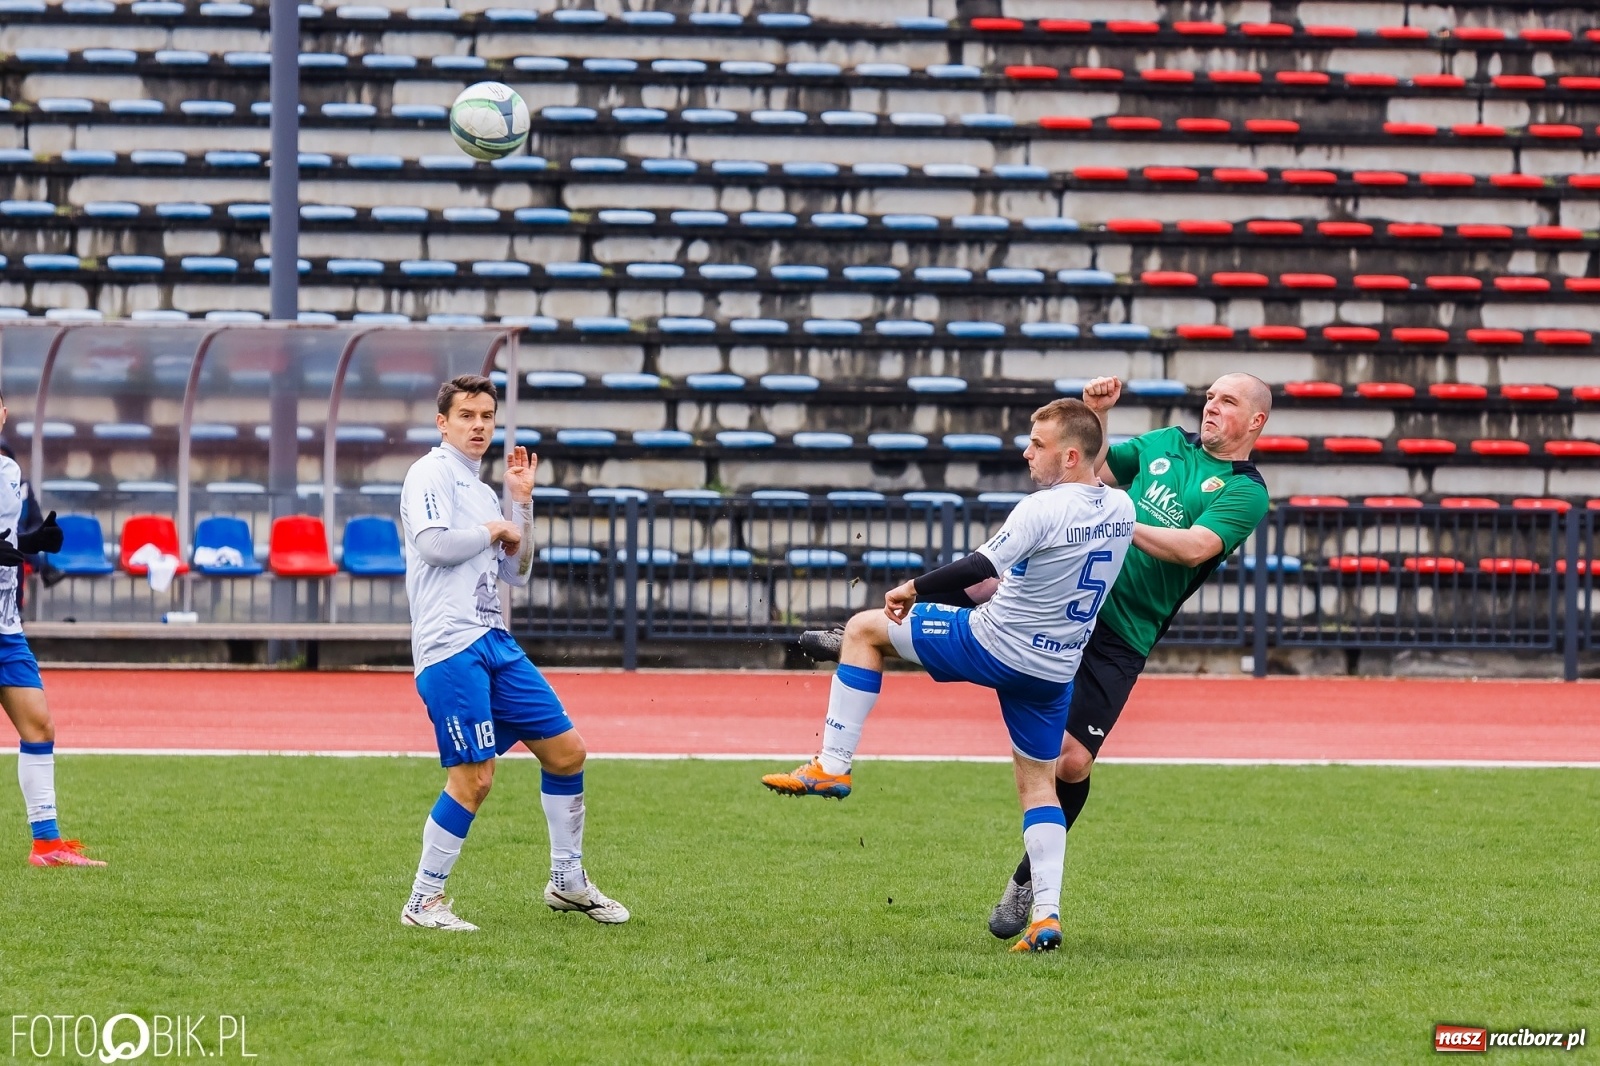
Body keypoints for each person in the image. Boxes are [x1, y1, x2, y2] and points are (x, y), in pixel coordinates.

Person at [794, 373, 1273, 939]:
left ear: (1256, 421)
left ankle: (1027, 881)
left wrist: (1115, 522)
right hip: (1066, 594)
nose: (1211, 406)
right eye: (1211, 395)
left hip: (1123, 629)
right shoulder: (1166, 442)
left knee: (1071, 765)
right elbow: (1089, 468)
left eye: (1228, 401)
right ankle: (865, 636)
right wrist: (1099, 418)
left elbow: (1195, 547)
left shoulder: (1246, 489)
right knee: (984, 582)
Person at [761, 398, 1135, 952]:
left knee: (866, 628)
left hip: (994, 643)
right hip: (1055, 668)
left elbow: (982, 568)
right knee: (1039, 785)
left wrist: (915, 588)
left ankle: (832, 765)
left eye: (1038, 444)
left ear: (1072, 456)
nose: (1027, 452)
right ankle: (1047, 917)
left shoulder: (1042, 509)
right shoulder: (1122, 509)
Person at [398, 374, 628, 931]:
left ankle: (567, 882)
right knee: (474, 779)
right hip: (450, 645)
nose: (479, 425)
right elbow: (431, 544)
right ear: (443, 423)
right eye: (467, 415)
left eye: (487, 416)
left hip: (493, 639)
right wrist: (491, 528)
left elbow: (515, 572)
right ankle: (423, 902)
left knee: (567, 752)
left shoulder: (480, 492)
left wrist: (520, 506)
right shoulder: (429, 473)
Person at [0, 395, 105, 866]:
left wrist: (33, 543)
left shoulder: (8, 471)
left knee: (39, 724)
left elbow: (4, 542)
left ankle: (47, 845)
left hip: (5, 624)